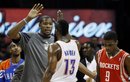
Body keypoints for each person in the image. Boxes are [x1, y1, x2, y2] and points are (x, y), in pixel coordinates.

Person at [7, 3, 64, 82]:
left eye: (50, 24)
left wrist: (61, 27)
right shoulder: (29, 37)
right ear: (39, 25)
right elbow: (10, 34)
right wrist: (27, 19)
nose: (48, 26)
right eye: (45, 23)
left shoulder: (56, 40)